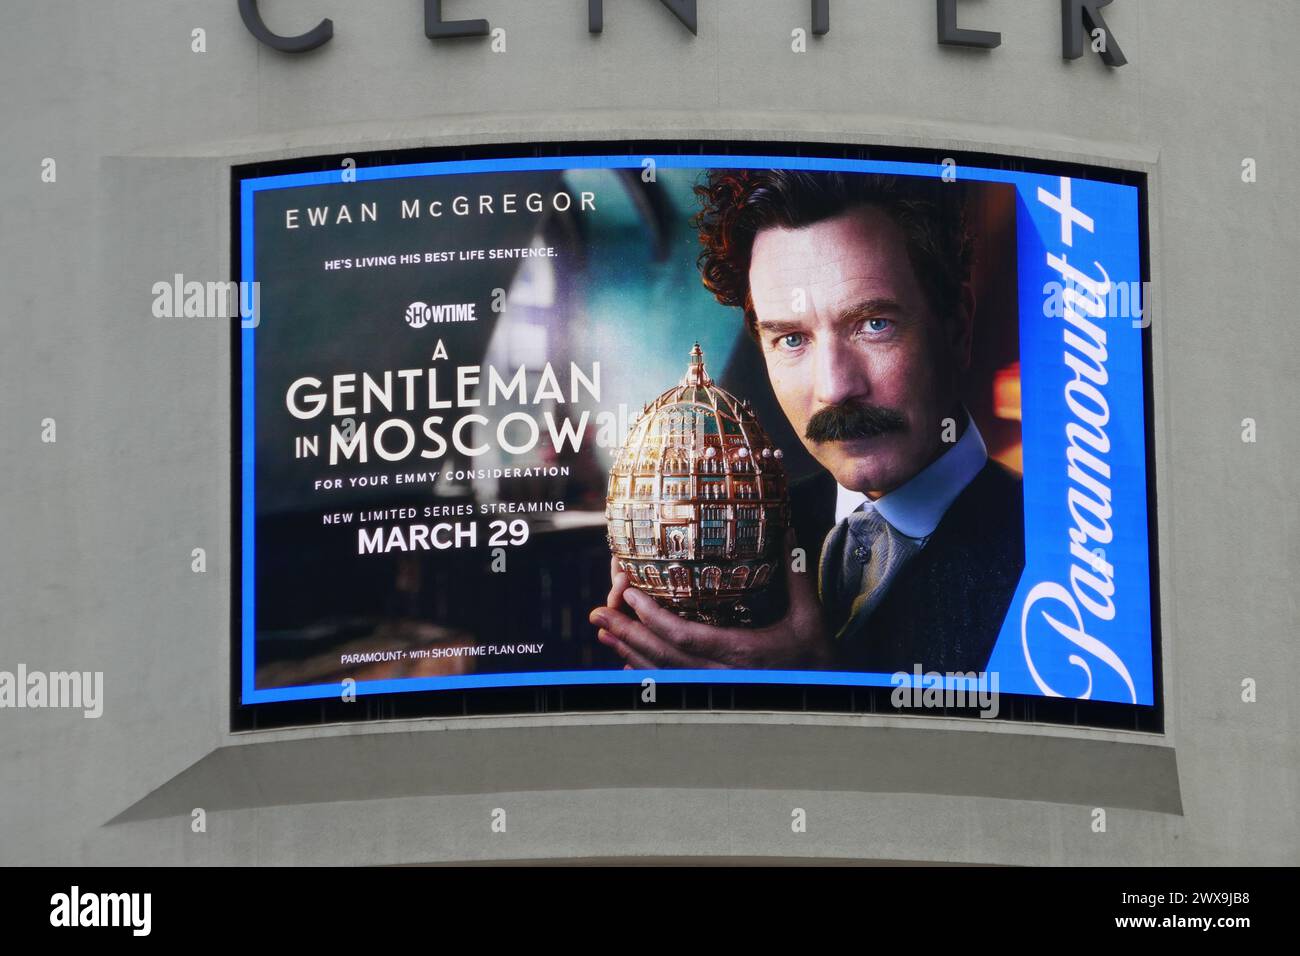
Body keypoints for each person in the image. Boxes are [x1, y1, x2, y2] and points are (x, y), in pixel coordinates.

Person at [590, 170, 1023, 673]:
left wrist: (815, 695)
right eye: (792, 339)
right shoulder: (725, 543)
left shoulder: (1066, 555)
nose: (835, 388)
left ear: (957, 328)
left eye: (873, 325)